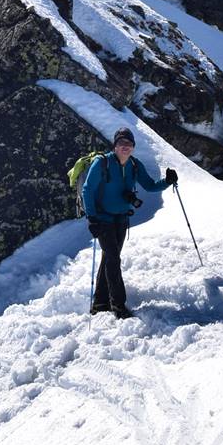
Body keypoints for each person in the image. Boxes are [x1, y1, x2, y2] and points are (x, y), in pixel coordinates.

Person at [80, 127, 177, 318]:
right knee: (113, 259)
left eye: (129, 144)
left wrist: (167, 181)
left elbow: (150, 186)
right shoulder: (102, 163)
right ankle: (118, 306)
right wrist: (91, 218)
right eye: (121, 143)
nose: (125, 147)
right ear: (115, 145)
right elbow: (87, 190)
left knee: (109, 258)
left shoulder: (134, 165)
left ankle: (99, 303)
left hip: (122, 219)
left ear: (133, 147)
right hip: (103, 219)